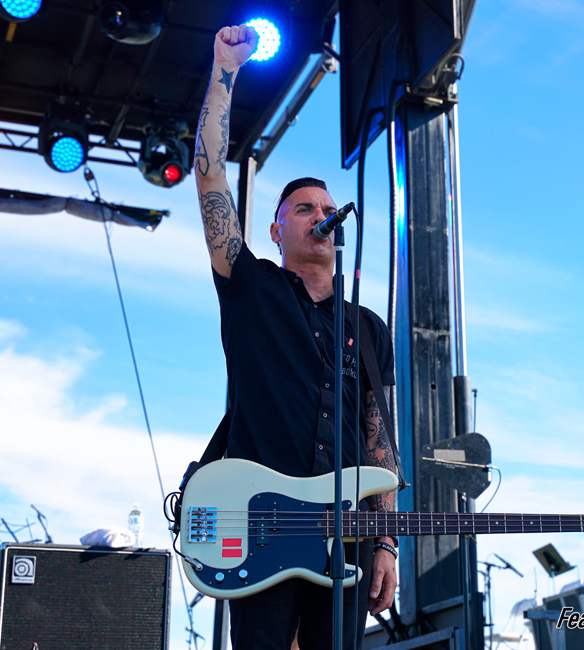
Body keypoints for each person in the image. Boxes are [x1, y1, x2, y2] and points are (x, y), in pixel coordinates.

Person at [193, 24, 401, 649]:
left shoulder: (367, 326)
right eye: (305, 209)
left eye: (328, 209)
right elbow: (210, 179)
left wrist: (386, 542)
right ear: (277, 230)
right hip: (257, 524)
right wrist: (224, 72)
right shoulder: (251, 287)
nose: (322, 216)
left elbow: (378, 441)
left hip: (345, 539)